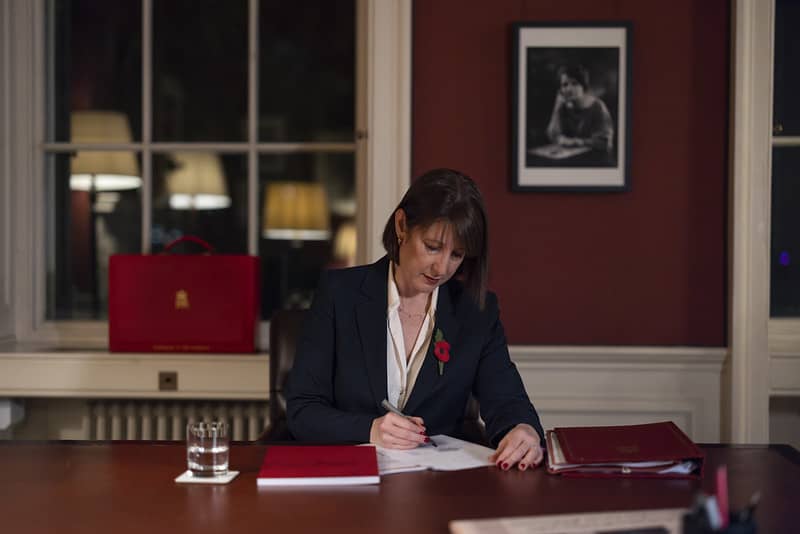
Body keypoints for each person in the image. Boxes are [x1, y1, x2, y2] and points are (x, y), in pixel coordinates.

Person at [286, 168, 544, 471]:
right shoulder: (339, 294)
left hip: (438, 485)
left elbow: (507, 400)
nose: (442, 268)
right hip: (352, 480)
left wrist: (522, 430)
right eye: (433, 247)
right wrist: (370, 429)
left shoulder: (476, 312)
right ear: (402, 225)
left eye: (457, 255)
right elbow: (303, 411)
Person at [546, 64, 614, 157]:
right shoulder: (563, 107)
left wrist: (576, 142)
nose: (569, 89)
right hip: (571, 158)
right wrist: (557, 106)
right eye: (565, 85)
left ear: (583, 86)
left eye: (574, 83)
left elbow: (604, 142)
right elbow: (552, 136)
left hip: (596, 158)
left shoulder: (597, 107)